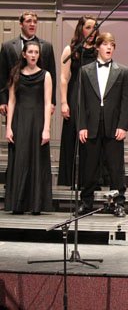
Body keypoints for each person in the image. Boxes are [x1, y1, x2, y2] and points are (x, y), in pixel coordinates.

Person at [78, 33, 128, 217]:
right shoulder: (85, 71)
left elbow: (126, 101)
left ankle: (118, 203)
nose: (109, 48)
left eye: (112, 45)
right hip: (92, 124)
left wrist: (123, 126)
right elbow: (81, 101)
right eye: (106, 44)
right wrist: (82, 125)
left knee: (116, 167)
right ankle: (86, 203)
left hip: (113, 125)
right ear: (98, 47)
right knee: (90, 166)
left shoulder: (122, 71)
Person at [4, 41, 52, 215]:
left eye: (36, 52)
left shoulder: (46, 75)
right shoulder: (16, 73)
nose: (33, 55)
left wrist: (46, 128)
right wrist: (8, 127)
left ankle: (36, 204)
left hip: (38, 120)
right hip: (20, 120)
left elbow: (48, 103)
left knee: (37, 160)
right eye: (30, 52)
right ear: (24, 54)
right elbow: (11, 101)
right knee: (21, 160)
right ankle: (18, 203)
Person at [58, 15, 98, 187]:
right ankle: (70, 180)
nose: (92, 31)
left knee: (91, 137)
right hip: (75, 94)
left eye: (95, 28)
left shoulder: (98, 50)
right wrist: (64, 102)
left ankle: (89, 180)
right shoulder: (71, 49)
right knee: (72, 135)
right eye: (88, 27)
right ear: (81, 28)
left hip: (92, 97)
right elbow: (64, 77)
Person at [0, 11, 57, 116]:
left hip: (39, 99)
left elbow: (52, 74)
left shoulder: (46, 46)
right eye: (28, 21)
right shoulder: (7, 46)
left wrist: (52, 101)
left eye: (35, 22)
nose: (32, 24)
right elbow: (2, 75)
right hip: (16, 98)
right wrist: (3, 100)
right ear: (21, 24)